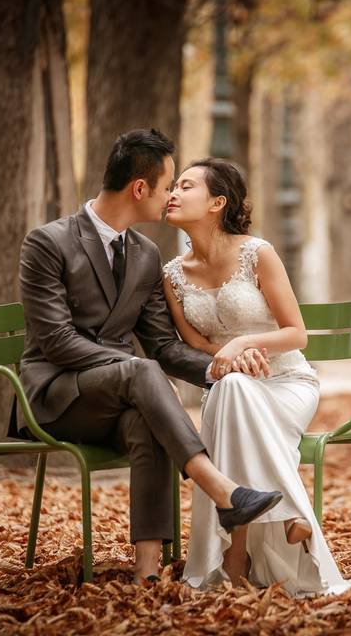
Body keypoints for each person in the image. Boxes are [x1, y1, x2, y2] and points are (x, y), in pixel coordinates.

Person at [15, 129, 283, 584]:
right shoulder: (48, 243)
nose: (171, 196)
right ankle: (221, 490)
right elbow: (56, 341)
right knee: (142, 375)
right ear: (140, 189)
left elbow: (163, 347)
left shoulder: (145, 254)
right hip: (57, 395)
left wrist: (223, 366)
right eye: (168, 186)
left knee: (149, 417)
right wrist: (130, 368)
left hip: (123, 395)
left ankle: (146, 576)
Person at [163, 158, 351, 596]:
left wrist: (242, 346)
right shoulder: (173, 275)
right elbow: (196, 345)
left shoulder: (258, 253)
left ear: (217, 202)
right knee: (232, 389)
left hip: (286, 384)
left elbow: (297, 333)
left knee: (231, 393)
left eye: (186, 185)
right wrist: (230, 359)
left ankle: (236, 556)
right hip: (231, 386)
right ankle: (291, 515)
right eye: (173, 186)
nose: (173, 193)